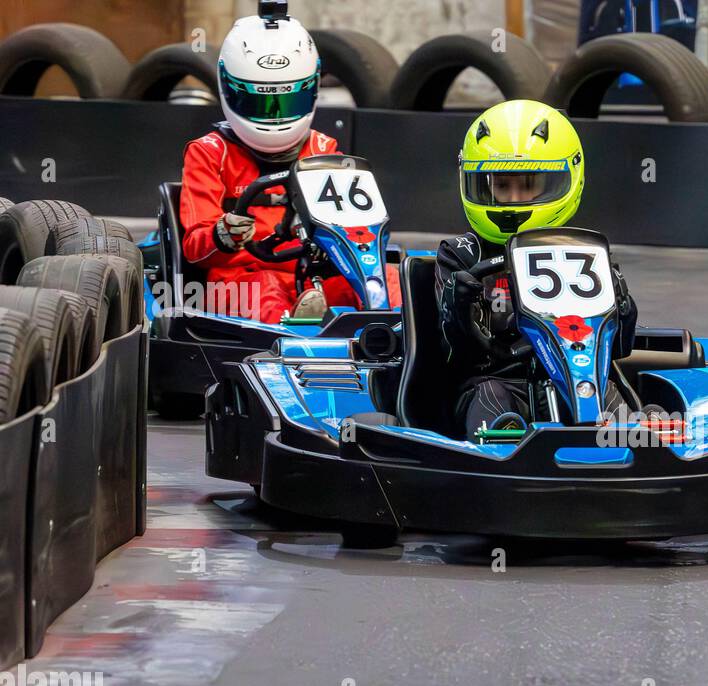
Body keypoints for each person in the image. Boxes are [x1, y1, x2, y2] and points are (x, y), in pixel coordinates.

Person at [179, 2, 398, 323]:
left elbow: (357, 230)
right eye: (261, 102)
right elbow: (195, 250)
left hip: (310, 276)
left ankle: (396, 341)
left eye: (286, 101)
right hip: (240, 278)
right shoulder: (210, 152)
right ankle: (295, 347)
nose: (275, 116)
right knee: (266, 291)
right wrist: (222, 234)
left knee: (389, 281)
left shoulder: (324, 148)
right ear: (230, 89)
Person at [435, 99, 637, 437]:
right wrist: (459, 307)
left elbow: (619, 349)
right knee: (490, 396)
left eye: (527, 185)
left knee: (609, 396)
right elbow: (452, 357)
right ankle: (500, 455)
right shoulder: (461, 256)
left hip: (578, 381)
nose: (513, 199)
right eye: (502, 186)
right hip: (495, 381)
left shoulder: (582, 252)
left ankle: (635, 452)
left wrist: (623, 306)